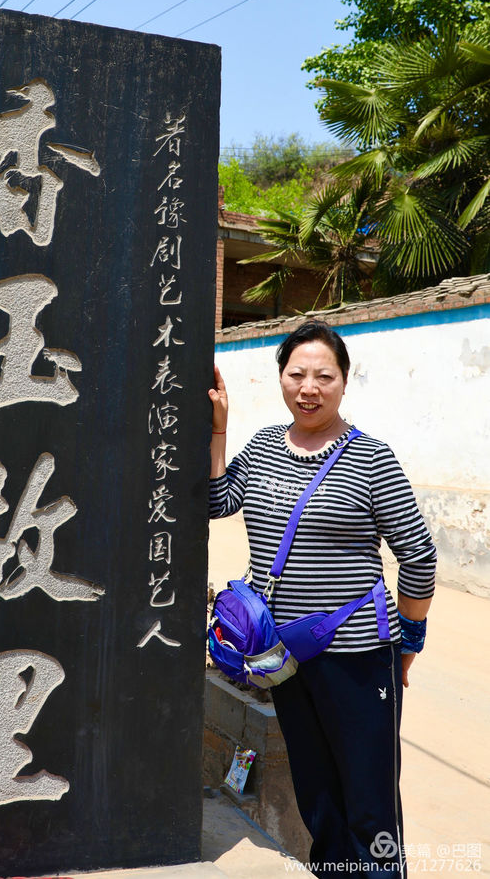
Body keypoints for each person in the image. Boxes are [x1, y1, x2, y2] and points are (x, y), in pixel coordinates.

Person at [208, 320, 436, 878]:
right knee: (316, 792)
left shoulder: (373, 459)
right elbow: (218, 502)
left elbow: (420, 557)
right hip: (283, 658)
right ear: (282, 378)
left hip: (357, 655)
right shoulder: (263, 445)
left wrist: (409, 641)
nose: (308, 388)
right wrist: (219, 431)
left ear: (344, 382)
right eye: (297, 374)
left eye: (323, 377)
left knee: (369, 798)